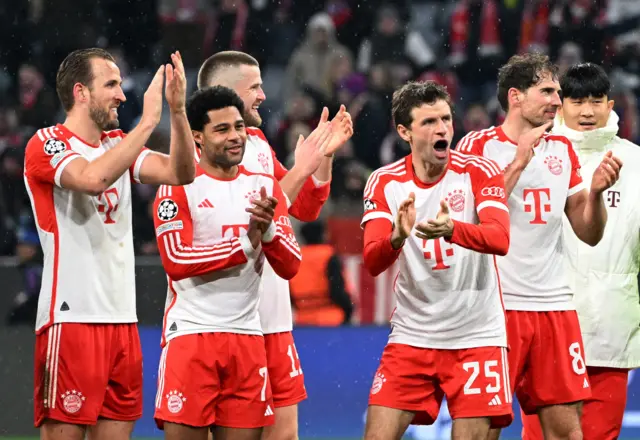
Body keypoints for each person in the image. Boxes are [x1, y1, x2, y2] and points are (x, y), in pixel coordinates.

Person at [24, 48, 195, 440]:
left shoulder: (117, 143)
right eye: (112, 84)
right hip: (71, 320)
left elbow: (181, 172)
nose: (121, 94)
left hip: (122, 322)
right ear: (81, 92)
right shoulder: (46, 143)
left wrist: (177, 111)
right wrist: (149, 119)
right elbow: (92, 179)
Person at [456, 53, 623, 440]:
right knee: (479, 431)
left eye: (557, 92)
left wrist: (595, 194)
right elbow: (467, 227)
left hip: (555, 309)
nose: (556, 100)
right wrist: (517, 163)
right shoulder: (476, 147)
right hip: (495, 311)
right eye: (547, 91)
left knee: (567, 432)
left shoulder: (562, 148)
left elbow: (589, 232)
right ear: (515, 96)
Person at [197, 50, 353, 440]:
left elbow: (303, 207)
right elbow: (254, 220)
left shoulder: (258, 144)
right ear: (225, 93)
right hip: (224, 323)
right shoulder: (200, 156)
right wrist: (302, 166)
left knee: (284, 436)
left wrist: (323, 159)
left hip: (274, 317)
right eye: (255, 87)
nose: (264, 95)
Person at [361, 80, 513, 440]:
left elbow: (500, 239)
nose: (442, 128)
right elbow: (372, 260)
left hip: (476, 335)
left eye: (445, 119)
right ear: (404, 131)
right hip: (413, 335)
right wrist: (396, 237)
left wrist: (453, 229)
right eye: (428, 122)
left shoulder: (479, 171)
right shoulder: (384, 182)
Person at [153, 85, 304, 440]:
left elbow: (291, 265)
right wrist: (246, 243)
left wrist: (267, 234)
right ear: (197, 137)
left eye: (238, 127)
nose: (235, 136)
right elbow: (176, 259)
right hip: (192, 336)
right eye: (222, 129)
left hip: (248, 339)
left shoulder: (264, 185)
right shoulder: (178, 185)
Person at [520, 63, 640, 440]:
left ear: (610, 104)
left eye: (595, 101)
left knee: (600, 436)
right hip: (546, 327)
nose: (587, 111)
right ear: (560, 105)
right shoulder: (532, 156)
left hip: (609, 324)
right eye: (577, 101)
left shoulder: (635, 162)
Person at [289, 220, 354, 326]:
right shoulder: (329, 255)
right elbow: (337, 290)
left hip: (303, 319)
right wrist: (348, 309)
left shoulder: (296, 257)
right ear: (323, 235)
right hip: (331, 318)